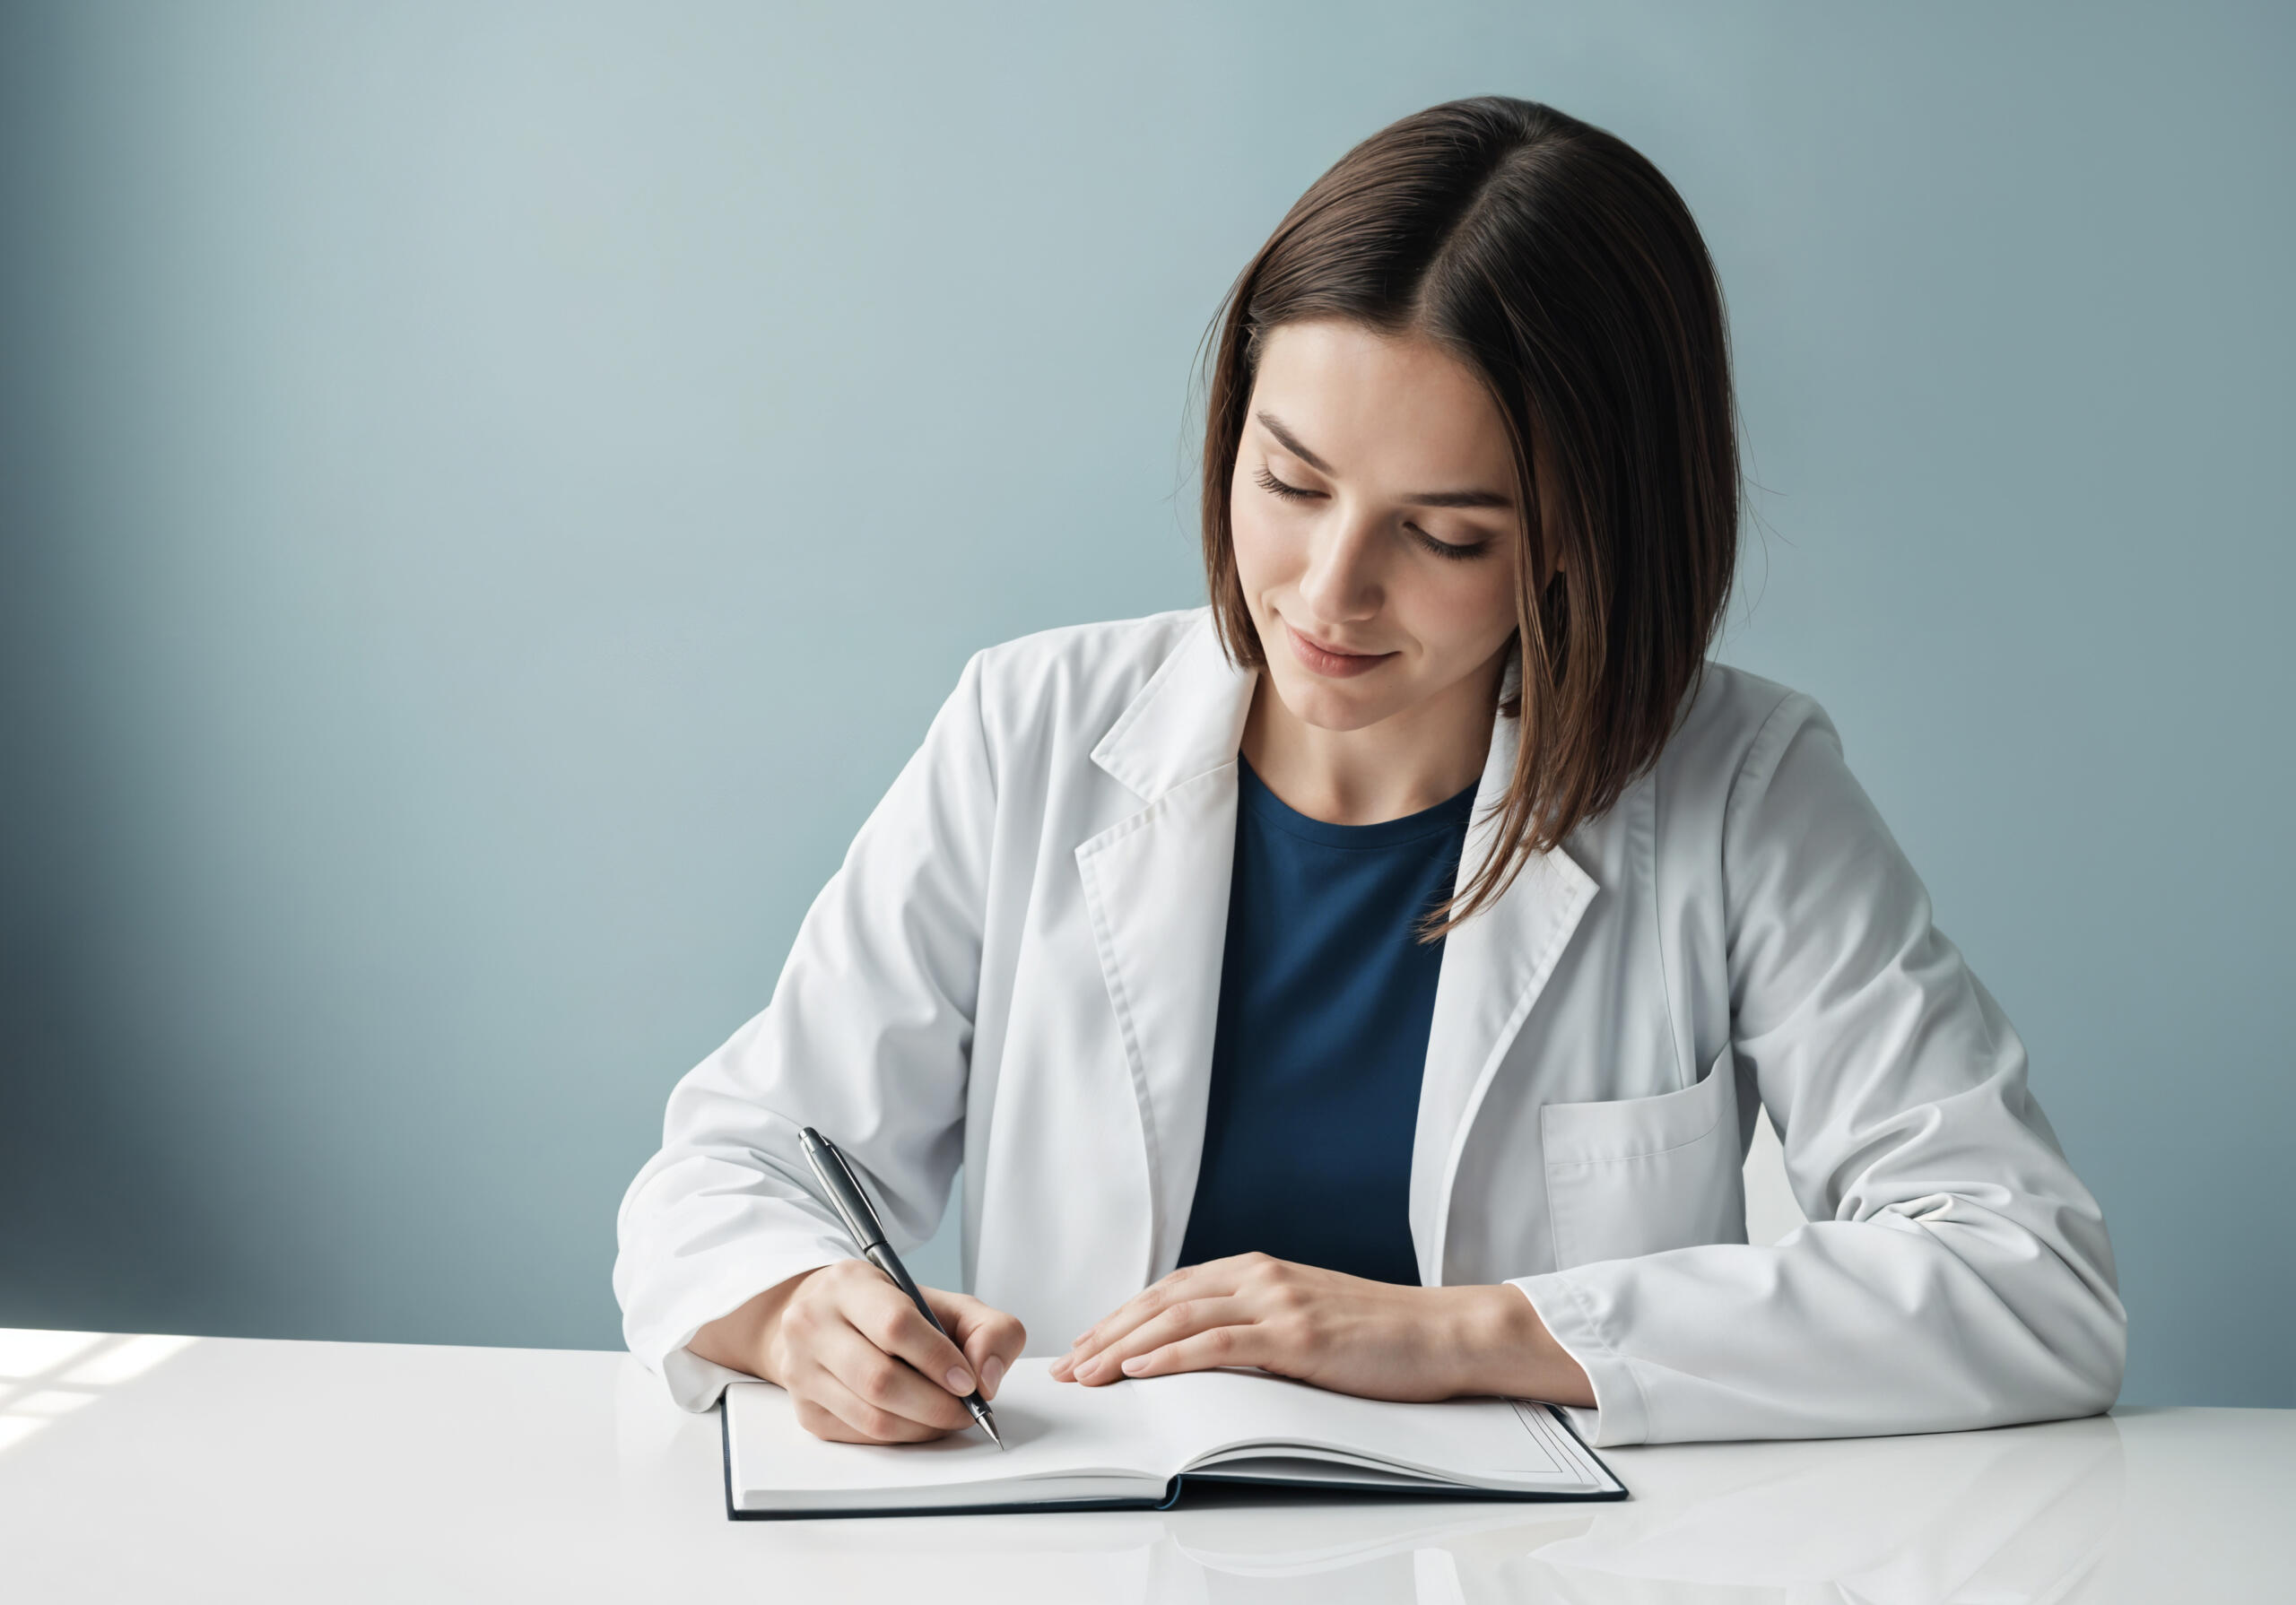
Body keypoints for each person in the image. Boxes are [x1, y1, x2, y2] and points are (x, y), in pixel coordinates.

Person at [612, 96, 2125, 1448]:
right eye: (1289, 480)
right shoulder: (1030, 730)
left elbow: (2028, 1278)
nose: (1328, 592)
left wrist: (1454, 1336)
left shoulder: (1741, 789)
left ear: (1585, 534)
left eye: (1446, 534)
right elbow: (728, 1169)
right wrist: (800, 1313)